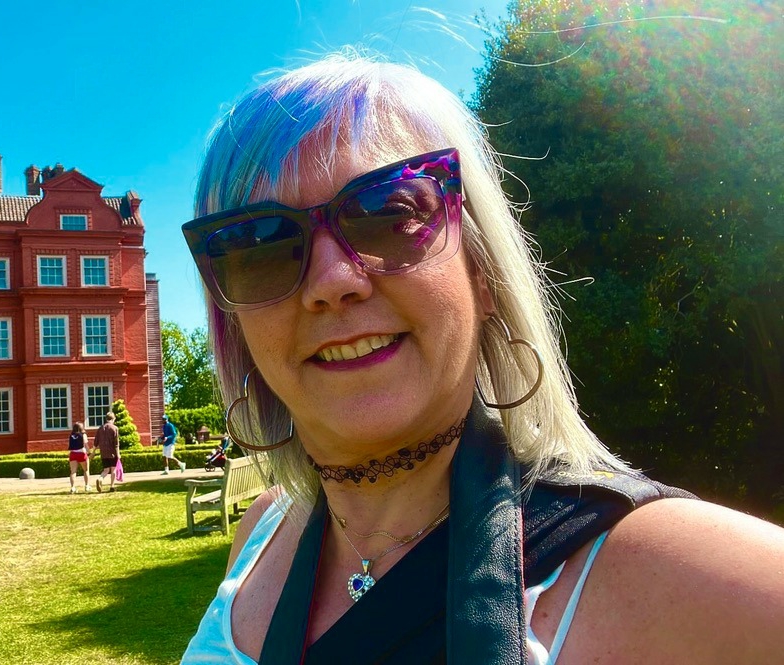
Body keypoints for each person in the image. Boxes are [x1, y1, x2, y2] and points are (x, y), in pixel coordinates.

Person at [180, 54, 784, 663]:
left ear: (482, 273)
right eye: (257, 245)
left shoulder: (667, 572)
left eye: (390, 213)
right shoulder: (262, 536)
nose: (332, 281)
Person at [93, 412, 120, 493]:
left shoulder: (100, 428)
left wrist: (93, 452)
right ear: (113, 419)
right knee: (113, 469)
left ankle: (100, 479)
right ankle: (112, 486)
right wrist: (118, 454)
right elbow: (116, 443)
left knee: (106, 470)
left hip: (103, 452)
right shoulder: (114, 428)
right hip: (112, 452)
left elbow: (96, 442)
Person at [68, 421, 93, 493]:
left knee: (73, 472)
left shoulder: (71, 435)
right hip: (82, 453)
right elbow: (86, 445)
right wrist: (89, 452)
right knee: (86, 470)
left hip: (73, 454)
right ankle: (87, 486)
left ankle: (73, 487)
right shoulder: (83, 435)